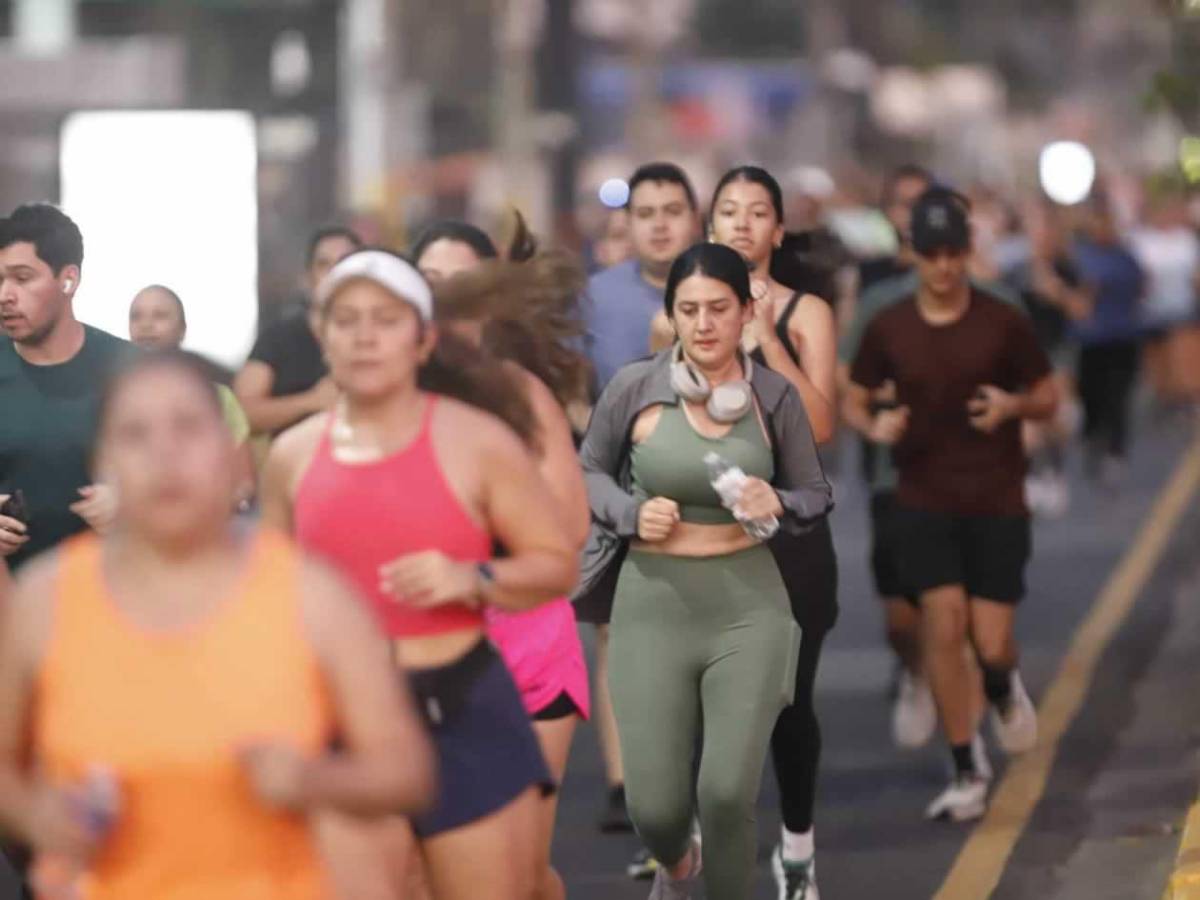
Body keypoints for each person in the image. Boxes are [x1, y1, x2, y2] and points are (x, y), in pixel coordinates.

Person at [0, 350, 435, 899]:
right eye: (135, 434)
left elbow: (406, 770)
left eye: (188, 427)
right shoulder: (46, 599)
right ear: (102, 460)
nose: (165, 454)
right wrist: (43, 820)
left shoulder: (310, 594)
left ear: (232, 456)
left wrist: (308, 779)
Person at [262, 248, 578, 900]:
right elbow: (263, 601)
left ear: (424, 338)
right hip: (347, 720)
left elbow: (557, 564)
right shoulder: (293, 456)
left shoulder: (478, 440)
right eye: (345, 320)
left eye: (385, 319)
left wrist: (472, 577)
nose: (365, 336)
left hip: (465, 707)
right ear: (322, 336)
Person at [578, 241, 832, 900]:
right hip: (651, 606)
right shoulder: (634, 387)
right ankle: (676, 859)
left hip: (747, 606)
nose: (704, 323)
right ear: (672, 315)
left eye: (719, 308)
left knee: (724, 796)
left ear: (746, 312)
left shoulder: (772, 397)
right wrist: (632, 515)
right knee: (656, 811)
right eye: (688, 309)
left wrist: (777, 499)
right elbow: (588, 473)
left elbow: (816, 492)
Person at [846, 187, 1057, 822]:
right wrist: (873, 426)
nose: (942, 267)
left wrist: (1013, 407)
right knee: (942, 621)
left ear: (968, 252)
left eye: (952, 253)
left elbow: (1048, 394)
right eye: (930, 254)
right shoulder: (890, 324)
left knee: (991, 640)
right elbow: (853, 394)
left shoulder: (1002, 318)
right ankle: (965, 764)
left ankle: (1000, 685)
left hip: (996, 498)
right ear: (913, 255)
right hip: (922, 496)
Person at [418, 232, 592, 900]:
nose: (441, 298)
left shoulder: (521, 394)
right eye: (428, 279)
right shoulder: (388, 400)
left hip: (526, 646)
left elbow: (570, 530)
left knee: (516, 876)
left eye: (457, 283)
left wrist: (482, 528)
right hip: (424, 649)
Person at [706, 165, 838, 899]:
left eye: (759, 212)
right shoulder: (685, 314)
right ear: (711, 226)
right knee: (704, 696)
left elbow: (820, 428)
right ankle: (699, 847)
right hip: (708, 535)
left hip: (790, 535)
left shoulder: (804, 313)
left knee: (788, 701)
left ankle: (796, 848)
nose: (743, 223)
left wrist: (764, 343)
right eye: (729, 211)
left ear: (778, 231)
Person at [578, 161, 703, 834]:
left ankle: (684, 771)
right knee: (615, 634)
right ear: (626, 224)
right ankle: (624, 781)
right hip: (619, 487)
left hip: (706, 490)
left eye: (672, 210)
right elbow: (571, 384)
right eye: (645, 212)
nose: (658, 224)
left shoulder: (723, 290)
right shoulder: (595, 296)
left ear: (694, 217)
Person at [0, 204, 133, 577]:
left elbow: (194, 480)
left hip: (112, 593)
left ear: (68, 280)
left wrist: (133, 505)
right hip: (12, 597)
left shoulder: (130, 370)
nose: (5, 295)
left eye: (22, 278)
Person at [128, 284, 256, 504]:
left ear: (182, 329)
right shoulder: (117, 399)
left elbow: (244, 484)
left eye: (160, 316)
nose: (146, 325)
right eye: (136, 317)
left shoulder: (217, 397)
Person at [234, 225, 362, 437]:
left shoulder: (379, 336)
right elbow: (241, 414)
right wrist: (311, 401)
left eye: (344, 263)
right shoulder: (278, 338)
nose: (335, 273)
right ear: (308, 278)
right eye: (324, 264)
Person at [1071, 195, 1146, 488]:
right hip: (1092, 341)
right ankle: (1093, 440)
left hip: (1122, 338)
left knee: (1118, 398)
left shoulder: (1125, 257)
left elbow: (1141, 286)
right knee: (1092, 396)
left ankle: (1116, 450)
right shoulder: (1082, 256)